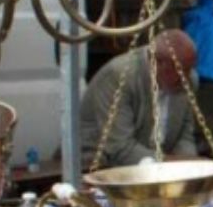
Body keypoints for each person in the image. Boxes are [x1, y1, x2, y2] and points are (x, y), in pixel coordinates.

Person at [77, 30, 200, 167]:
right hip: (100, 162)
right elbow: (119, 147)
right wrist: (169, 165)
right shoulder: (118, 76)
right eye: (181, 70)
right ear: (157, 63)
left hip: (156, 162)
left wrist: (190, 165)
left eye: (190, 69)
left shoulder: (188, 81)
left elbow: (184, 136)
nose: (186, 77)